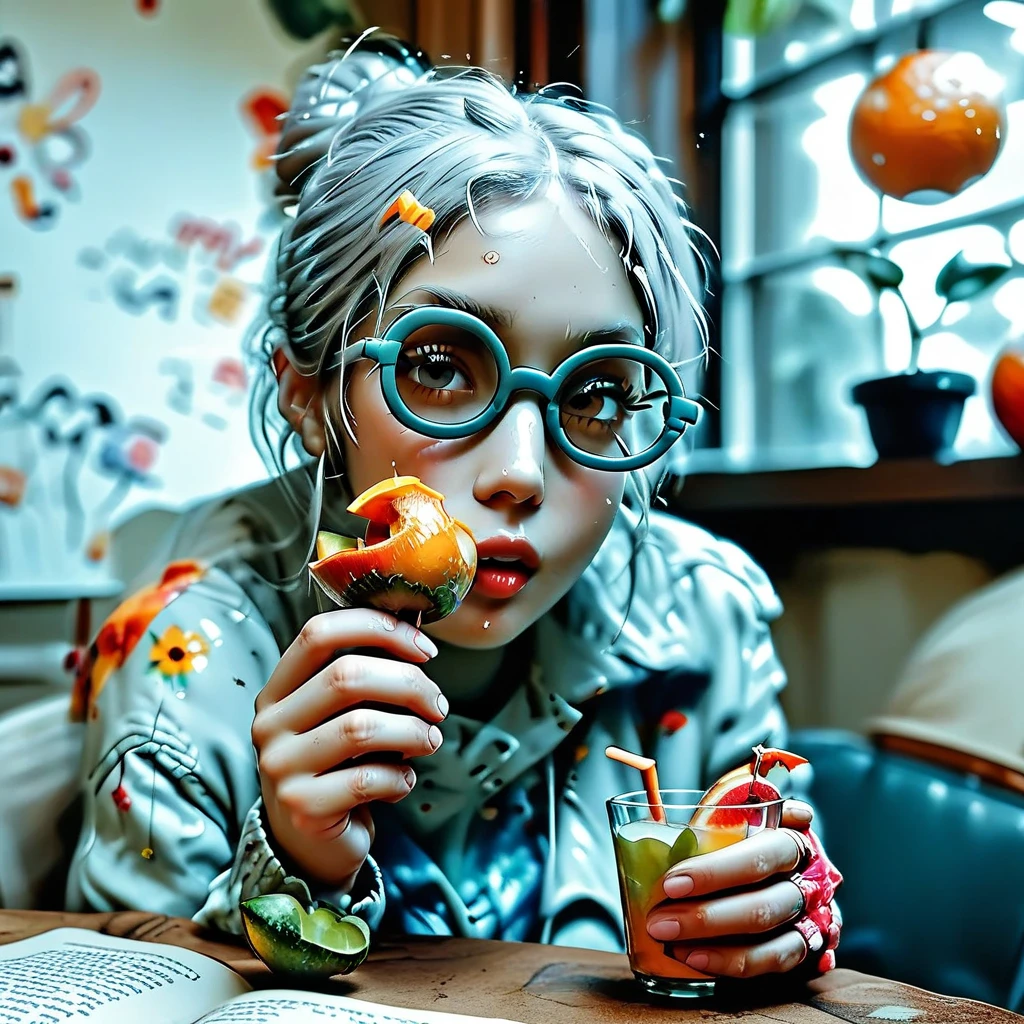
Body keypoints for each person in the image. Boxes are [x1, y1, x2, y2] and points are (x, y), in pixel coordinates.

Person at [65, 34, 840, 979]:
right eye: (439, 367)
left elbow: (793, 935)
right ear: (306, 392)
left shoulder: (705, 626)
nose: (519, 471)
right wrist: (292, 864)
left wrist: (776, 922)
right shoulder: (185, 660)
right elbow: (115, 986)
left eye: (596, 394)